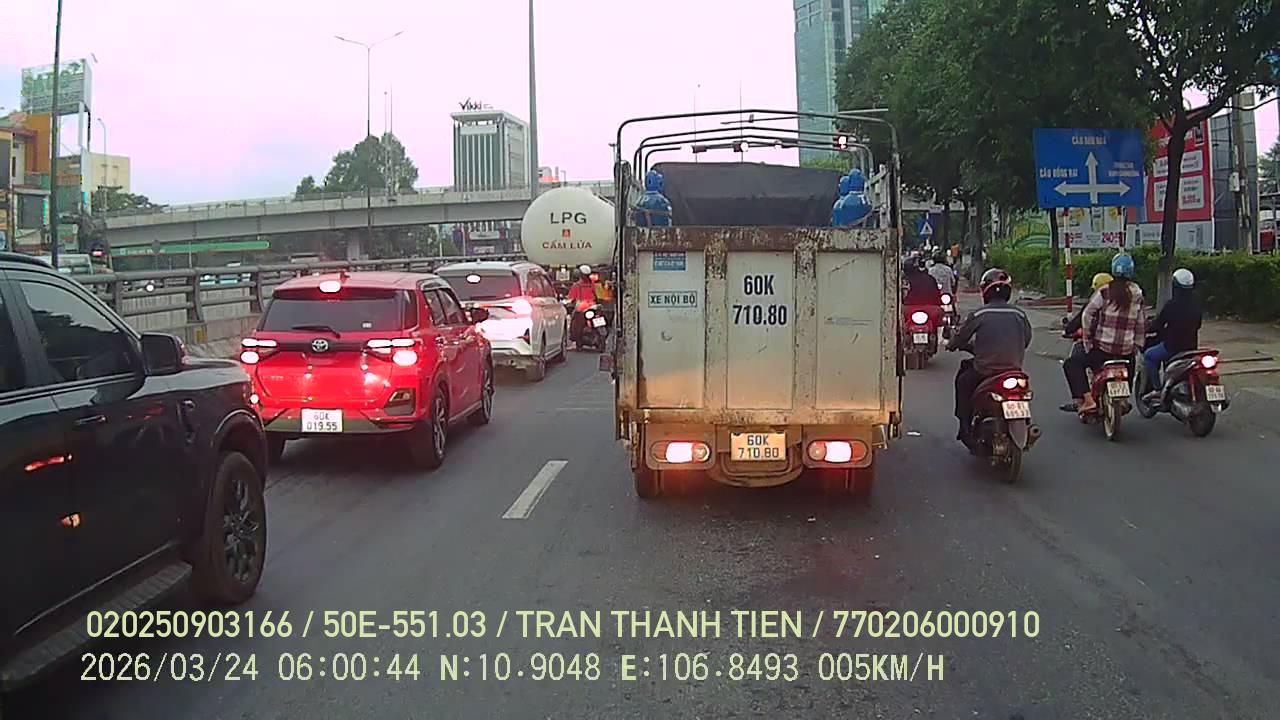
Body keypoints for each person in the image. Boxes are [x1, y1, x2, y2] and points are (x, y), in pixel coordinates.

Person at [948, 268, 1034, 447]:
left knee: (963, 382)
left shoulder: (979, 314)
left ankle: (964, 427)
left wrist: (952, 344)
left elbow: (961, 337)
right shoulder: (1020, 314)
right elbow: (1026, 340)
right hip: (1014, 370)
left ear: (985, 291)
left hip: (985, 371)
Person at [1062, 254, 1146, 415]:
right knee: (1131, 363)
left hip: (1102, 351)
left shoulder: (1104, 291)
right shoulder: (1137, 293)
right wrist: (1137, 346)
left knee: (1071, 364)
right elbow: (1141, 324)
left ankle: (1088, 400)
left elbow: (1087, 315)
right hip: (1126, 353)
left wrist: (1087, 340)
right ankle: (1124, 397)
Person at [1142, 268, 1201, 398]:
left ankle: (1157, 389)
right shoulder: (1196, 305)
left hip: (1172, 348)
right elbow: (1198, 325)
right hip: (1191, 348)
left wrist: (1146, 327)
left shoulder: (1171, 305)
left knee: (1149, 356)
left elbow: (1157, 325)